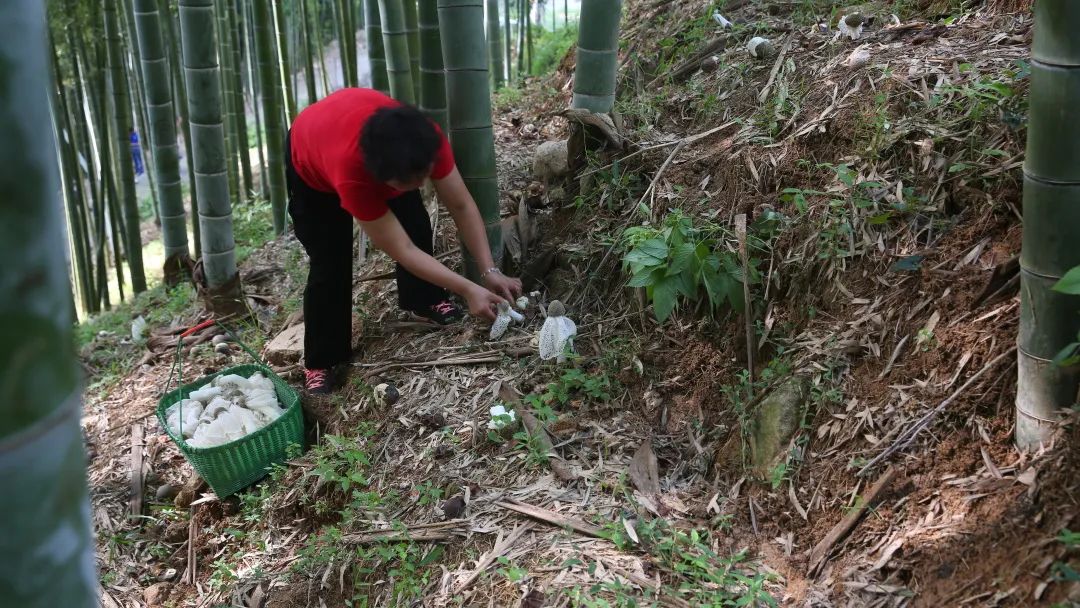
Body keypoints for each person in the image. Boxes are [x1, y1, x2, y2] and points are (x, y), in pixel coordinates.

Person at [286, 88, 522, 394]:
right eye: (408, 183)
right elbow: (402, 249)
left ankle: (423, 299)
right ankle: (322, 360)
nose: (421, 185)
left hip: (364, 134)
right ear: (377, 177)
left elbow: (461, 205)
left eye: (422, 176)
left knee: (415, 223)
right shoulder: (352, 175)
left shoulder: (424, 140)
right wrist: (467, 289)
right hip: (310, 158)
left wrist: (488, 271)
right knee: (330, 262)